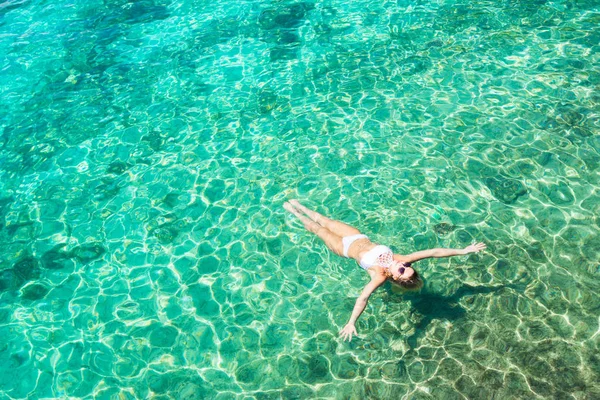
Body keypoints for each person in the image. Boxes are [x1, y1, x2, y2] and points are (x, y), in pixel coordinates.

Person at [283, 200, 486, 342]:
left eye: (403, 271)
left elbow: (363, 298)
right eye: (408, 268)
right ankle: (300, 206)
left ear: (396, 278)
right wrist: (464, 250)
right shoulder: (400, 259)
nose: (405, 266)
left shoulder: (379, 275)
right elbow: (433, 252)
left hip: (344, 249)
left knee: (318, 229)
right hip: (356, 236)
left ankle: (294, 213)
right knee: (325, 220)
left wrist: (351, 322)